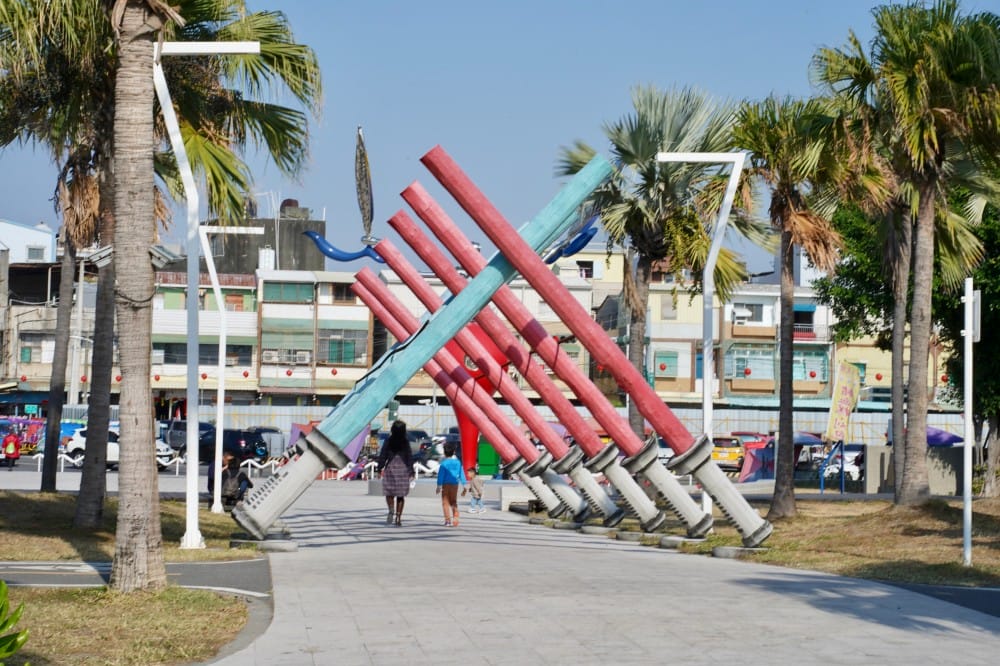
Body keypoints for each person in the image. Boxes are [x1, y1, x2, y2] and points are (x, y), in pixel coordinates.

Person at [376, 420, 414, 527]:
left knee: (389, 492)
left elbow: (383, 454)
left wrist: (379, 468)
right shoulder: (405, 442)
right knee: (401, 495)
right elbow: (409, 456)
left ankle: (391, 508)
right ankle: (398, 518)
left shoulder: (389, 440)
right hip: (403, 469)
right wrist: (411, 471)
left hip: (391, 468)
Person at [435, 442, 467, 526]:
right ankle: (455, 516)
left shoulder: (444, 464)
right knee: (453, 501)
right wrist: (464, 484)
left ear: (445, 453)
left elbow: (440, 476)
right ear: (454, 452)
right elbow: (461, 474)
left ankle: (447, 521)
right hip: (455, 484)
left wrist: (438, 486)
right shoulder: (458, 462)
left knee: (445, 502)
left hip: (445, 485)